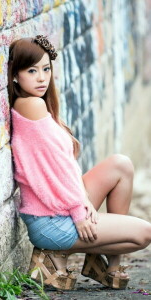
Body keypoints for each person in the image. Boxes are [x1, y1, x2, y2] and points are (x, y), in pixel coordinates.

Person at [8, 35, 151, 290]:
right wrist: (78, 209)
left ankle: (107, 263)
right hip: (51, 220)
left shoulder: (40, 105)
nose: (42, 77)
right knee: (144, 234)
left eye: (46, 69)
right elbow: (57, 167)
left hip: (61, 204)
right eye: (32, 70)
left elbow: (65, 165)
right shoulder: (31, 105)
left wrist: (83, 199)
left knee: (121, 164)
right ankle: (58, 254)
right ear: (15, 75)